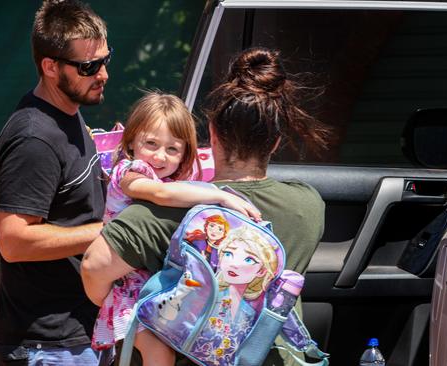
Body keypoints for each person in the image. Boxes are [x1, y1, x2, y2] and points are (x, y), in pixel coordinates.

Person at [81, 47, 330, 365]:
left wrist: (120, 303)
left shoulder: (161, 213)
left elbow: (93, 266)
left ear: (211, 134)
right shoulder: (308, 205)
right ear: (276, 142)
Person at [92, 92, 261, 366]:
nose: (160, 156)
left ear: (184, 153)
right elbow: (159, 194)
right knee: (160, 355)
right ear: (131, 141)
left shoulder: (172, 180)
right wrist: (221, 196)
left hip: (155, 287)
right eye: (151, 143)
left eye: (172, 149)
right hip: (129, 290)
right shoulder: (130, 171)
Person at [0, 1, 110, 364]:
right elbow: (13, 240)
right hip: (48, 346)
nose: (103, 74)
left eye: (105, 59)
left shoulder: (68, 116)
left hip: (78, 334)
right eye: (89, 66)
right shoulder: (34, 139)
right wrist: (113, 231)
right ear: (51, 67)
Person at [190, 226, 279, 365]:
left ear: (261, 271)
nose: (234, 264)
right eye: (228, 254)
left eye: (249, 259)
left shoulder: (251, 311)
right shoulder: (208, 295)